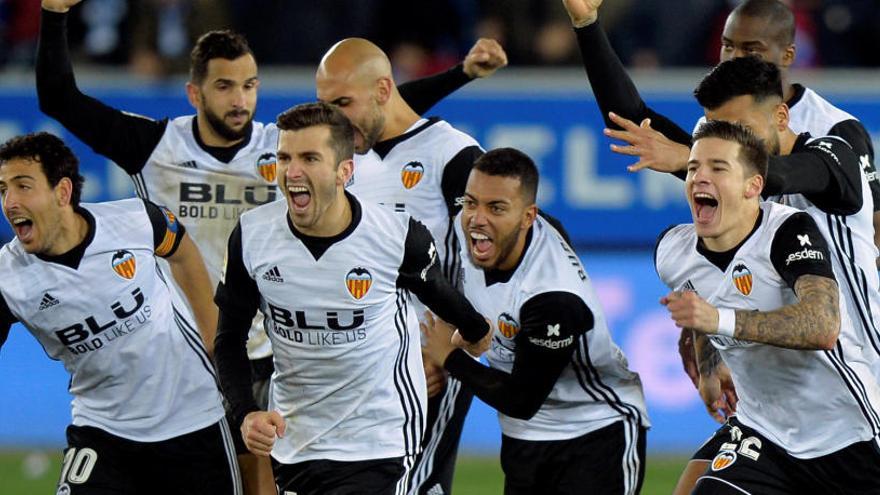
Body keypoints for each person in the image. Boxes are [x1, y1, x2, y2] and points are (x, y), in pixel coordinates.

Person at [36, 1, 506, 491]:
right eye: (224, 86)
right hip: (195, 355)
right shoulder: (156, 147)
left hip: (289, 356)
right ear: (194, 93)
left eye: (250, 85)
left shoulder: (280, 147)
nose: (240, 100)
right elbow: (58, 98)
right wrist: (53, 14)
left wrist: (460, 74)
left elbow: (370, 114)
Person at [213, 102, 491, 495]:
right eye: (284, 157)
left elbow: (446, 300)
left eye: (310, 158)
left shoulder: (396, 237)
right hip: (297, 442)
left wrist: (473, 334)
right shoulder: (252, 236)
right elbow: (228, 341)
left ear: (345, 171)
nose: (292, 172)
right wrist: (246, 413)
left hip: (380, 438)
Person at [0, 132, 240, 494]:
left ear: (62, 192)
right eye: (3, 189)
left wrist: (213, 337)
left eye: (23, 186)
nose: (10, 201)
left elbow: (183, 250)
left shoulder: (136, 220)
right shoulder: (8, 278)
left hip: (194, 419)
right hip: (102, 432)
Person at [314, 37, 501, 495]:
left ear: (382, 90)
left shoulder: (452, 154)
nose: (333, 119)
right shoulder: (340, 162)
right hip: (356, 362)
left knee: (414, 487)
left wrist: (454, 346)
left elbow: (488, 259)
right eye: (325, 106)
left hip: (427, 363)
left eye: (342, 103)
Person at [656, 119, 880, 494]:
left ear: (753, 186)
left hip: (846, 432)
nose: (699, 177)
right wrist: (710, 364)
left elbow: (823, 326)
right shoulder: (672, 252)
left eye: (718, 168)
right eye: (693, 168)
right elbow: (703, 298)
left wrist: (718, 321)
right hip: (765, 432)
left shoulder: (788, 232)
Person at [422, 148, 649, 495]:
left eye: (496, 207)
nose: (476, 219)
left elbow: (522, 400)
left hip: (594, 433)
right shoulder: (475, 231)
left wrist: (449, 358)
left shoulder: (553, 297)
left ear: (529, 217)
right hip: (522, 439)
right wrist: (470, 326)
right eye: (471, 203)